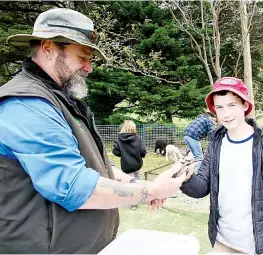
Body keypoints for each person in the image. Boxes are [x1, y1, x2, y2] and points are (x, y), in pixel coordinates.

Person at [0, 8, 190, 254]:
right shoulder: (27, 104)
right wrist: (150, 191)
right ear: (48, 47)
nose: (89, 68)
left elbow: (92, 167)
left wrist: (132, 183)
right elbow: (73, 187)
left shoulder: (60, 101)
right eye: (82, 56)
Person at [181, 77, 263, 254]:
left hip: (256, 246)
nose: (226, 113)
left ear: (245, 105)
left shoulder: (261, 143)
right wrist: (186, 177)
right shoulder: (216, 142)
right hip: (222, 242)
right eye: (219, 107)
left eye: (231, 105)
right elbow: (202, 185)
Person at [112, 120, 147, 210]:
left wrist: (123, 153)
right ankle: (142, 197)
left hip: (126, 165)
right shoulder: (137, 138)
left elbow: (116, 152)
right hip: (137, 164)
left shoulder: (119, 139)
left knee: (129, 182)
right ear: (133, 128)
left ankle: (133, 203)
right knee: (138, 179)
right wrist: (141, 155)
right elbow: (142, 151)